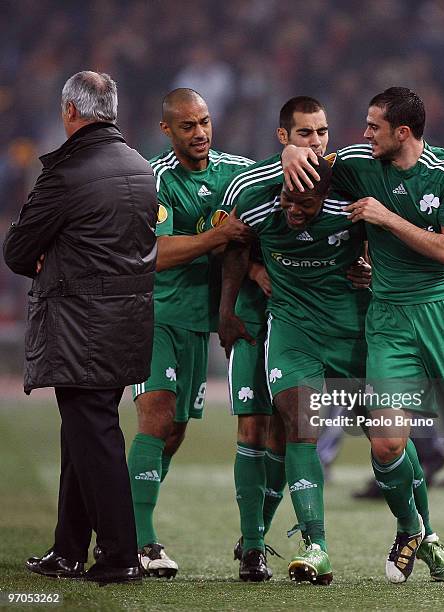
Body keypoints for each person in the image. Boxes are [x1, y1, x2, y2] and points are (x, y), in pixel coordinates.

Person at [282, 86, 444, 586]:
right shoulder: (357, 161)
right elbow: (307, 165)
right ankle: (412, 530)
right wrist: (290, 150)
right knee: (389, 444)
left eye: (374, 126)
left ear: (403, 132)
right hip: (389, 320)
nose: (364, 133)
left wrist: (384, 218)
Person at [219, 147, 444, 584]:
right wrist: (239, 292)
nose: (293, 210)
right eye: (287, 200)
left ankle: (422, 532)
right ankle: (316, 545)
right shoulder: (256, 196)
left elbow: (408, 241)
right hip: (294, 332)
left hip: (354, 332)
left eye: (304, 204)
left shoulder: (352, 200)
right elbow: (232, 242)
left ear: (326, 192)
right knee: (299, 428)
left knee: (390, 441)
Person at [3, 71, 158, 584]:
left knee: (95, 436)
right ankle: (68, 550)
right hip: (128, 320)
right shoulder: (140, 168)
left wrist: (50, 255)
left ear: (71, 111)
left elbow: (19, 250)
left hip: (81, 324)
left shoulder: (67, 173)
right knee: (84, 434)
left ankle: (120, 555)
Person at [222, 96, 370, 582]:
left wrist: (365, 262)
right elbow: (229, 246)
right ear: (283, 137)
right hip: (257, 317)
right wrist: (252, 278)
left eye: (323, 132)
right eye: (305, 134)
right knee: (252, 429)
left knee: (289, 435)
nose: (317, 142)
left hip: (310, 322)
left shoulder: (342, 181)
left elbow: (367, 226)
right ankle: (250, 546)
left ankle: (265, 541)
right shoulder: (250, 185)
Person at [128, 88, 254, 578]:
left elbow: (271, 185)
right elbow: (154, 252)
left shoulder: (232, 172)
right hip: (155, 315)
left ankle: (125, 514)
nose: (200, 133)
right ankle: (141, 542)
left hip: (199, 323)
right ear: (167, 130)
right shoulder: (156, 179)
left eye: (204, 122)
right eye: (187, 126)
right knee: (156, 419)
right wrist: (217, 237)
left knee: (175, 431)